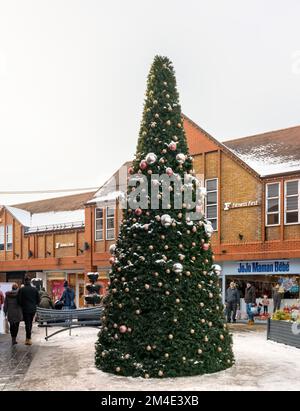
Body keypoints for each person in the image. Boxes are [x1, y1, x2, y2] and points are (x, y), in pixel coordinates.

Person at [17, 276, 40, 345]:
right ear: (30, 281)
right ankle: (28, 337)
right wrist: (34, 304)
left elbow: (19, 300)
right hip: (33, 309)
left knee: (27, 323)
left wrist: (22, 305)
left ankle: (28, 339)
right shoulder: (35, 289)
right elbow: (38, 300)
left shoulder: (21, 290)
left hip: (25, 309)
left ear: (24, 281)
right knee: (30, 323)